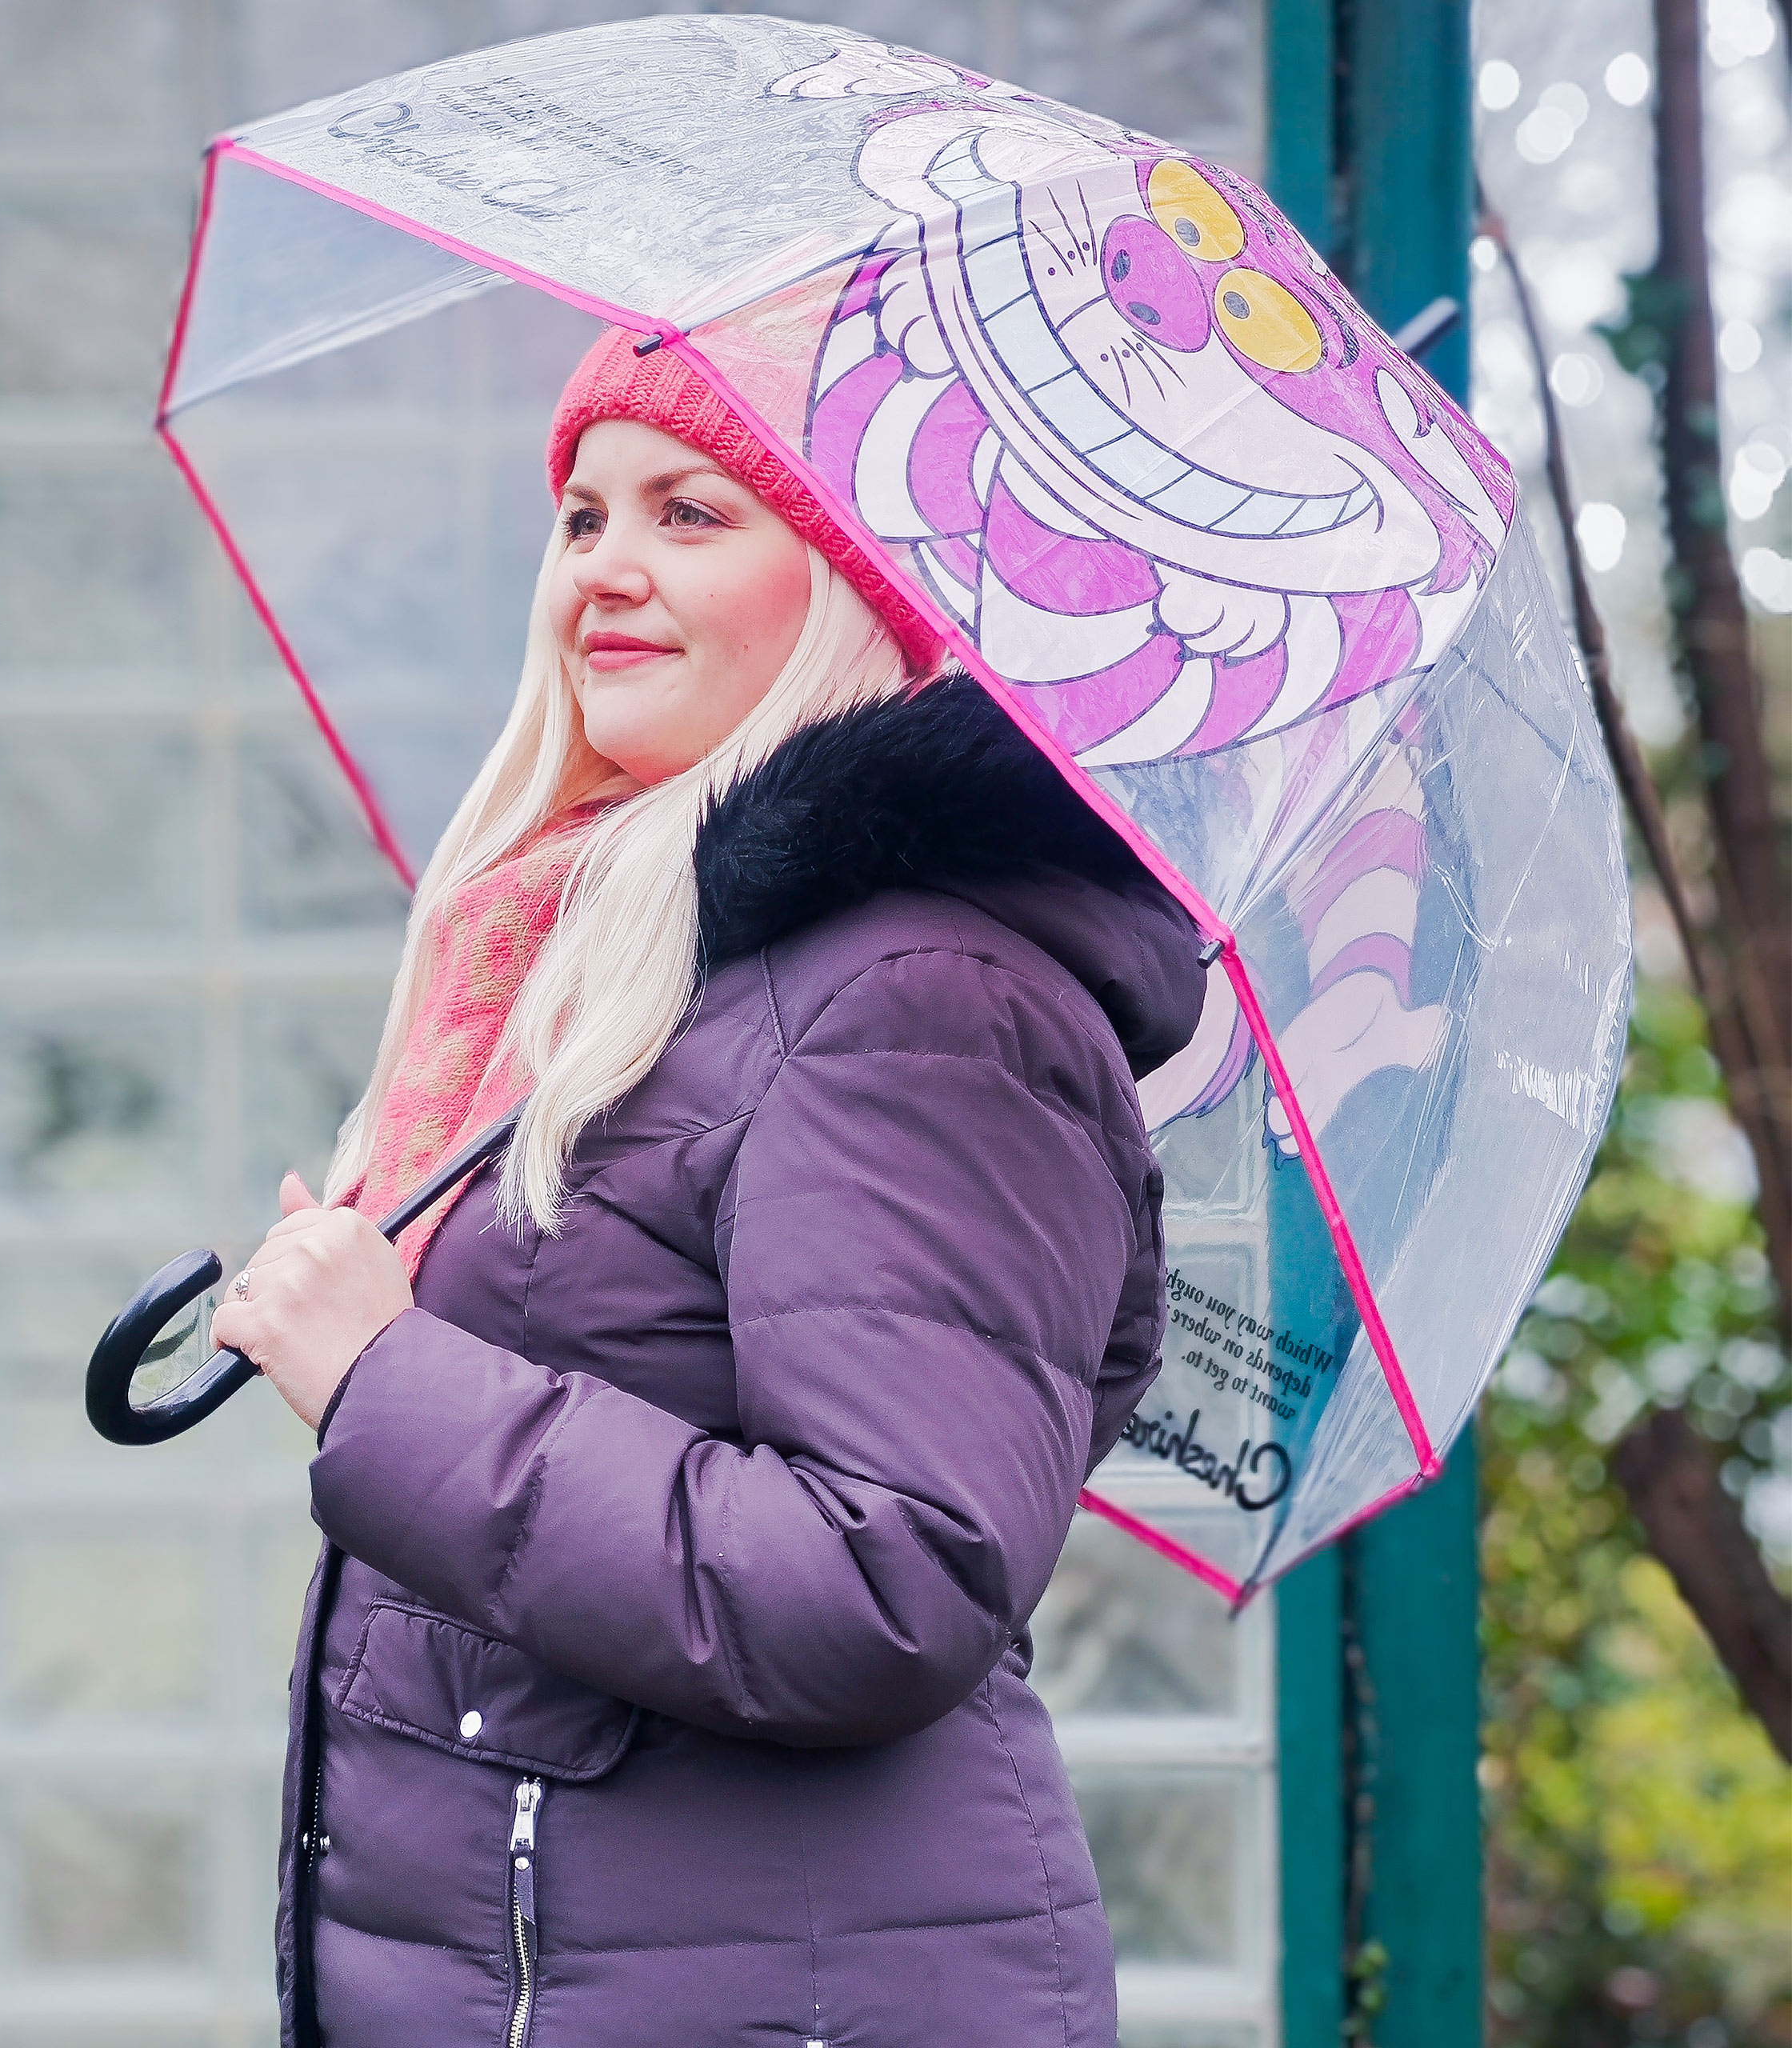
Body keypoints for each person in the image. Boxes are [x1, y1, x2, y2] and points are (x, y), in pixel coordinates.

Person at [207, 326, 1206, 2048]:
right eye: (583, 515)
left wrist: (388, 1376)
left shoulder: (916, 1004)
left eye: (690, 511)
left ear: (850, 576)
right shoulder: (636, 973)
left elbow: (890, 1572)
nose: (604, 568)